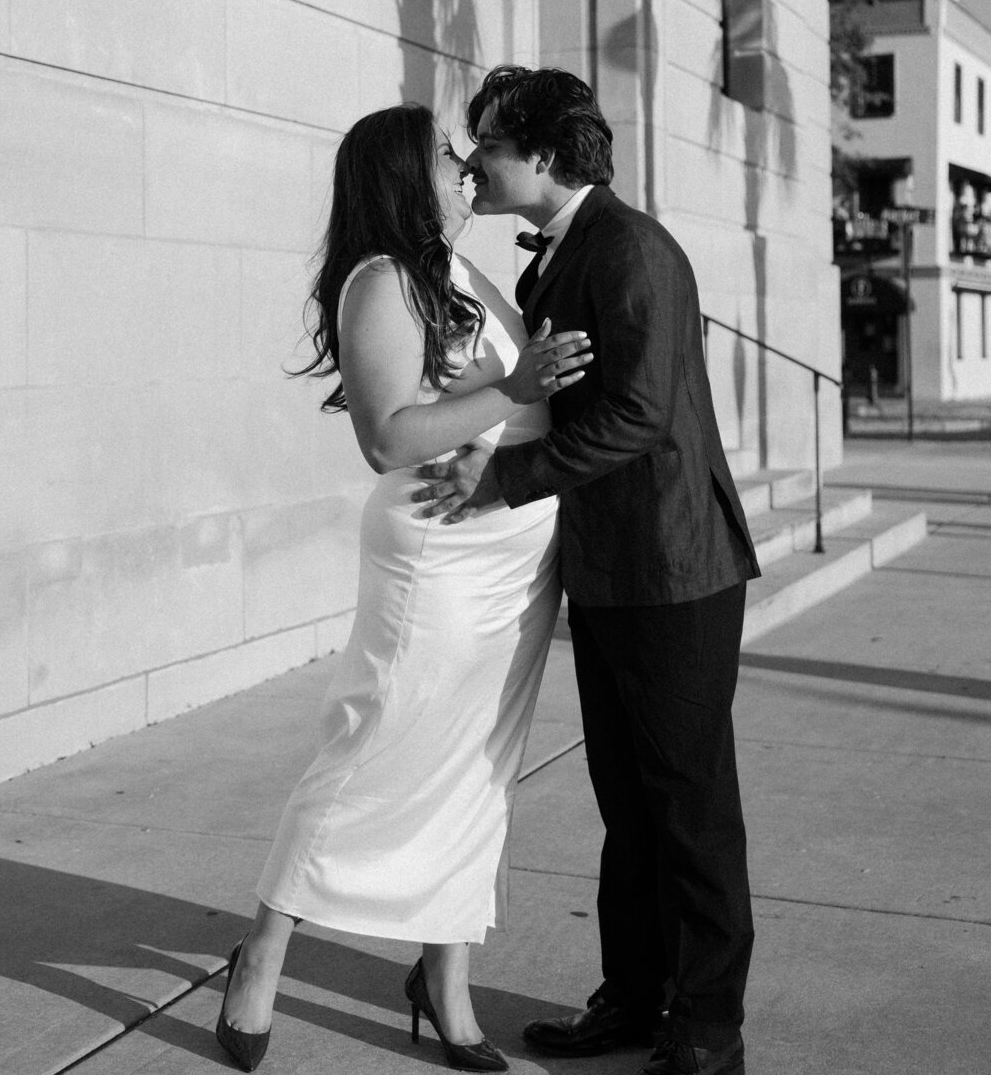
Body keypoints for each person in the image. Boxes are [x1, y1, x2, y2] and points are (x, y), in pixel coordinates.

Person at [214, 101, 592, 1072]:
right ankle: (259, 959)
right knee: (369, 744)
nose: (465, 165)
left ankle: (445, 981)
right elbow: (387, 436)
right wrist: (513, 390)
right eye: (443, 156)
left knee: (478, 771)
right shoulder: (379, 282)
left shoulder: (465, 274)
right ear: (399, 176)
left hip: (514, 552)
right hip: (437, 552)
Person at [416, 67, 761, 1075]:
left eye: (484, 142)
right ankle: (637, 996)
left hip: (675, 567)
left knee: (690, 806)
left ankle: (707, 1030)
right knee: (628, 803)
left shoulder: (633, 251)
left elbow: (638, 416)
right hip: (608, 569)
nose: (471, 160)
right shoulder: (555, 262)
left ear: (542, 153)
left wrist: (502, 480)